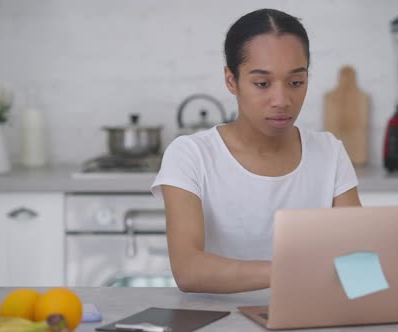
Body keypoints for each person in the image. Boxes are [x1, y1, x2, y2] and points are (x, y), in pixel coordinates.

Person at [151, 8, 361, 294]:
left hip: (310, 319)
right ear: (231, 81)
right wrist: (294, 270)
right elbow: (188, 270)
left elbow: (359, 266)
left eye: (296, 82)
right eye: (262, 84)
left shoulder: (330, 153)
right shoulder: (191, 155)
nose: (282, 100)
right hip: (218, 322)